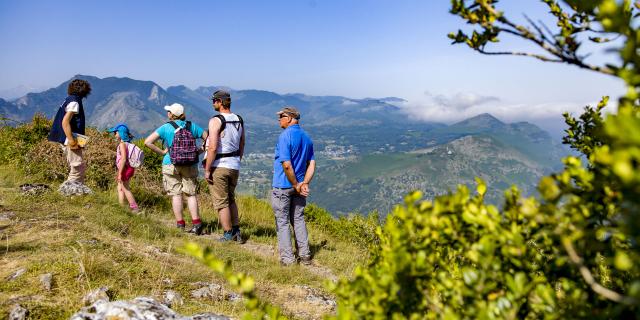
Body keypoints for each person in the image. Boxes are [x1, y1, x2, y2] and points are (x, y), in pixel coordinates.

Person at [144, 103, 207, 234]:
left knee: (176, 195)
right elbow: (208, 138)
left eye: (169, 112)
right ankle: (196, 224)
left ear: (171, 114)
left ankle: (180, 225)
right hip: (190, 163)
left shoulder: (166, 127)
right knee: (191, 194)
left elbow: (147, 142)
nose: (167, 113)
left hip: (170, 163)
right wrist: (199, 151)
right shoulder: (192, 126)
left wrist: (162, 152)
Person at [271, 106, 316, 266]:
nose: (279, 119)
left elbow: (287, 165)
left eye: (281, 116)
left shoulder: (285, 136)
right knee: (298, 219)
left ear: (289, 118)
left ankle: (288, 260)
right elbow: (312, 163)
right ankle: (305, 256)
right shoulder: (307, 137)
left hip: (283, 185)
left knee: (282, 221)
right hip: (298, 186)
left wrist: (296, 184)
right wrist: (304, 183)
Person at [203, 90, 246, 243]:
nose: (213, 103)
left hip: (219, 165)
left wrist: (207, 170)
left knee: (221, 202)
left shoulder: (216, 120)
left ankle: (228, 234)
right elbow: (242, 143)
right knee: (231, 199)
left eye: (214, 100)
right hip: (234, 165)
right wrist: (237, 159)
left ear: (221, 102)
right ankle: (237, 231)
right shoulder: (239, 119)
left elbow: (213, 147)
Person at [47, 79, 92, 183]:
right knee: (77, 167)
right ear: (85, 90)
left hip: (66, 137)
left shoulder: (69, 99)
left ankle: (74, 192)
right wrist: (72, 141)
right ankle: (68, 192)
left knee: (77, 166)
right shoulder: (74, 102)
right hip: (70, 138)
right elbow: (65, 122)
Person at [107, 123, 139, 213]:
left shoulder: (122, 144)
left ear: (120, 133)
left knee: (125, 189)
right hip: (129, 168)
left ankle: (135, 208)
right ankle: (121, 207)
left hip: (124, 169)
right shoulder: (128, 143)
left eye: (115, 133)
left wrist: (120, 173)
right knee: (120, 188)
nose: (114, 135)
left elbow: (124, 159)